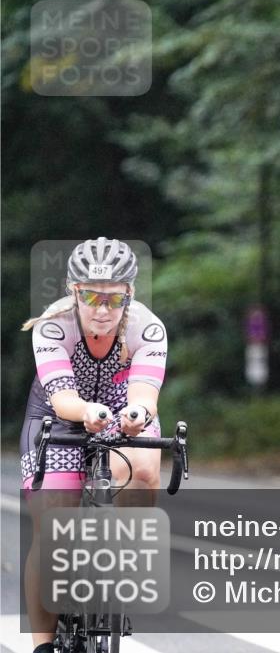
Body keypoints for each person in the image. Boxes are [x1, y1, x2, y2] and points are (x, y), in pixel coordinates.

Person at [19, 238, 168, 653]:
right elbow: (64, 398)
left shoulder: (147, 327)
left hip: (122, 411)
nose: (102, 310)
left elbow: (144, 394)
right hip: (57, 415)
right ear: (73, 291)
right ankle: (43, 643)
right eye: (90, 296)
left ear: (130, 295)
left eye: (114, 299)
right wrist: (85, 410)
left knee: (143, 469)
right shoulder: (54, 326)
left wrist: (137, 413)